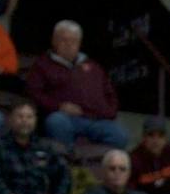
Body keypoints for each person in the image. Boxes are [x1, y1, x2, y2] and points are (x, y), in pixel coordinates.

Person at [25, 20, 125, 148]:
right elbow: (33, 92)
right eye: (64, 40)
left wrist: (109, 112)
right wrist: (59, 106)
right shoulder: (43, 65)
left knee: (120, 135)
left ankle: (95, 165)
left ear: (79, 43)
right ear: (54, 41)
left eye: (73, 41)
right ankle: (67, 161)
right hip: (66, 118)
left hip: (96, 120)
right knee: (56, 121)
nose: (69, 45)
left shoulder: (94, 66)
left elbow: (110, 93)